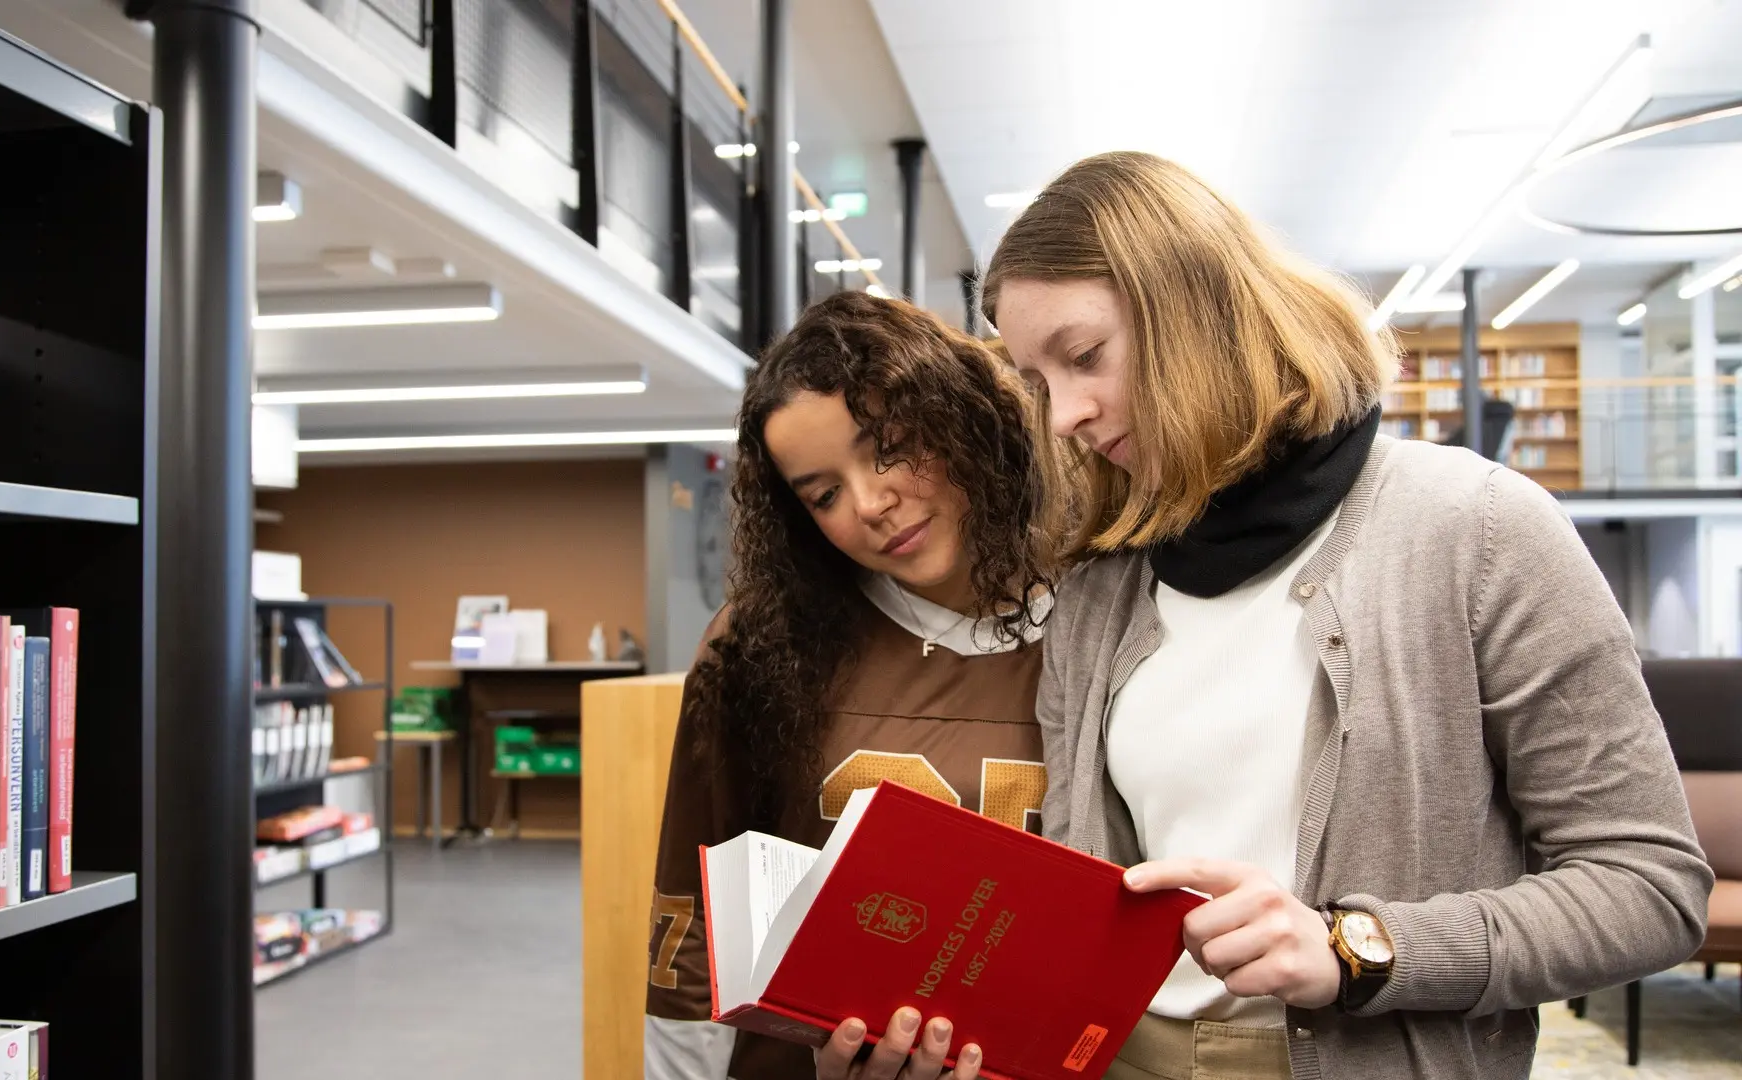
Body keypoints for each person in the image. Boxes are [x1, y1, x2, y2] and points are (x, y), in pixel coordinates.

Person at [821, 150, 1715, 1080]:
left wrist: (1356, 949)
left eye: (1085, 357)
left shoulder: (1478, 531)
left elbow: (1648, 888)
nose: (1064, 417)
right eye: (1038, 379)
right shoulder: (1099, 588)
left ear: (1202, 309)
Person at [643, 291, 1071, 1080]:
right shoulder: (761, 647)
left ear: (961, 418)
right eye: (824, 494)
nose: (872, 504)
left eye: (889, 448)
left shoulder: (1105, 617)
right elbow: (692, 913)